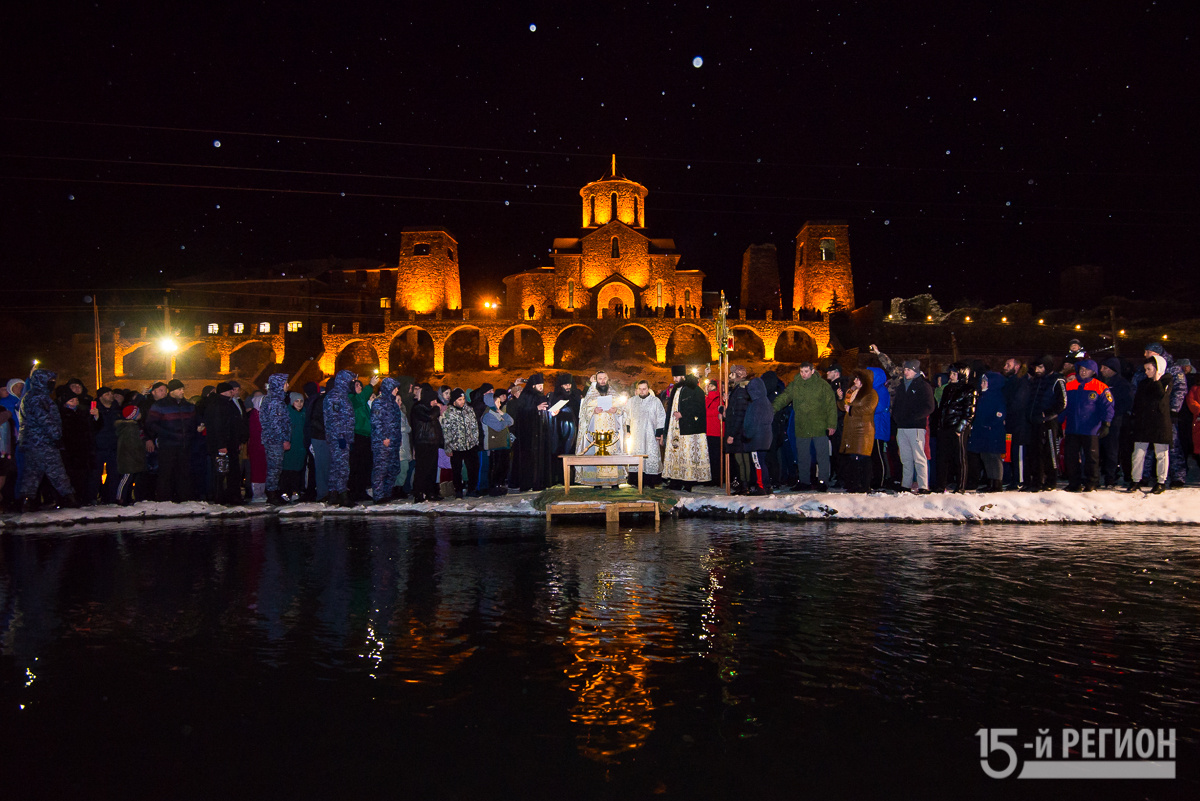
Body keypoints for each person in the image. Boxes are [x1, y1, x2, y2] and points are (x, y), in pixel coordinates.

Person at [771, 362, 838, 491]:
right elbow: (785, 397)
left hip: (819, 424)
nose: (803, 374)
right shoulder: (796, 384)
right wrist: (772, 408)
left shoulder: (822, 385)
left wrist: (831, 424)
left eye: (806, 371)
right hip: (801, 425)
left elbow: (831, 406)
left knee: (822, 455)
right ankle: (804, 481)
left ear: (812, 371)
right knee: (802, 455)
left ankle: (823, 481)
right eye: (801, 371)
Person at [17, 369, 77, 511]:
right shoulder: (39, 398)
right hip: (44, 442)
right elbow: (45, 420)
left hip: (33, 443)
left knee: (32, 474)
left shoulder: (31, 396)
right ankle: (70, 499)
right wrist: (56, 436)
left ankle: (26, 501)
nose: (53, 385)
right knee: (57, 472)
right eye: (50, 382)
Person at [1062, 359, 1114, 492]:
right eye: (1082, 368)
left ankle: (1091, 482)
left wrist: (1106, 423)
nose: (1084, 371)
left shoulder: (1100, 387)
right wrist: (1059, 424)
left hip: (1091, 429)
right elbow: (1063, 407)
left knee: (1091, 458)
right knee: (1071, 457)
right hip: (1072, 428)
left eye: (1087, 369)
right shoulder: (1070, 386)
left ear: (1093, 372)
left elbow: (1108, 406)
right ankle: (1074, 483)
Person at [146, 379, 196, 502]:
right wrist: (166, 433)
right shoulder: (160, 405)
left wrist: (192, 432)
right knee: (166, 473)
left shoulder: (188, 406)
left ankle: (183, 499)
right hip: (167, 445)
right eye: (179, 389)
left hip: (184, 445)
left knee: (184, 473)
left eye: (183, 389)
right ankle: (164, 500)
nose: (182, 391)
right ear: (172, 391)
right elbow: (151, 424)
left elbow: (193, 422)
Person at [1129, 354, 1172, 494]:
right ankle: (1136, 480)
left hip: (1160, 423)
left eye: (1149, 369)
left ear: (1157, 368)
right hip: (1144, 422)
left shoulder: (1167, 380)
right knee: (1138, 453)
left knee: (1161, 454)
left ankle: (1161, 481)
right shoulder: (1143, 383)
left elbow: (1161, 396)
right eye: (1145, 369)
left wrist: (1157, 380)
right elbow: (1138, 402)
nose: (1146, 372)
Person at [575, 371, 627, 487]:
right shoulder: (591, 394)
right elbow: (583, 411)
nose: (602, 381)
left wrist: (616, 410)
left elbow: (623, 409)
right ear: (596, 380)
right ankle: (596, 482)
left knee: (612, 453)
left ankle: (614, 482)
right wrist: (593, 411)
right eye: (600, 379)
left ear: (608, 379)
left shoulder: (614, 393)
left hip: (611, 430)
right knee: (595, 453)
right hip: (595, 430)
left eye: (604, 378)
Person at [891, 359, 935, 493]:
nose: (905, 372)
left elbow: (929, 407)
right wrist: (897, 418)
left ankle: (923, 485)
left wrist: (913, 417)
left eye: (909, 370)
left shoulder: (923, 386)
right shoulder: (901, 386)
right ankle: (906, 484)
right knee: (905, 457)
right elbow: (896, 405)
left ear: (915, 371)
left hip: (916, 427)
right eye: (905, 370)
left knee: (919, 457)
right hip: (902, 427)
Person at [661, 372, 710, 491]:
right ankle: (675, 481)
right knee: (676, 454)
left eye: (676, 376)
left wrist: (683, 414)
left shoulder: (695, 390)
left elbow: (698, 408)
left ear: (683, 376)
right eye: (673, 376)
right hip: (675, 429)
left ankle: (688, 482)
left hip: (689, 429)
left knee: (687, 455)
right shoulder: (675, 390)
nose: (674, 379)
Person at [1025, 356, 1067, 492]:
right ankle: (1036, 480)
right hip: (1034, 421)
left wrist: (1048, 414)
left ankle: (1051, 480)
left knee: (1049, 452)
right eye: (1036, 367)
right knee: (1035, 453)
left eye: (1040, 367)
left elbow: (1063, 402)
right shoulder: (1035, 381)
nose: (1037, 370)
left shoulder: (1057, 380)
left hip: (1049, 422)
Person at [933, 363, 977, 493]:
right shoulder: (948, 388)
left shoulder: (969, 390)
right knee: (942, 458)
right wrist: (940, 426)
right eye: (950, 374)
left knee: (960, 458)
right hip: (945, 427)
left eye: (954, 374)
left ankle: (961, 486)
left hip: (957, 428)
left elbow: (969, 412)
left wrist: (960, 429)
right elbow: (943, 409)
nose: (951, 376)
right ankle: (941, 485)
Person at [203, 382, 245, 505]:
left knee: (231, 471)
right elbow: (218, 426)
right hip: (223, 445)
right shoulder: (218, 405)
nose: (233, 392)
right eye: (231, 390)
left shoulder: (226, 403)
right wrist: (222, 445)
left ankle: (230, 496)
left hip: (230, 443)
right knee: (221, 472)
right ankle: (220, 497)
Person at [838, 369, 878, 493]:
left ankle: (864, 485)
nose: (854, 380)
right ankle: (854, 484)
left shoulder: (871, 393)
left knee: (862, 457)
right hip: (851, 428)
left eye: (857, 378)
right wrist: (841, 398)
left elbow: (868, 408)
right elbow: (844, 406)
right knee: (853, 457)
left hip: (863, 429)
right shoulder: (853, 391)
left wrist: (851, 410)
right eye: (854, 378)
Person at [967, 370, 1008, 492]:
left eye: (985, 382)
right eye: (982, 381)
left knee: (994, 457)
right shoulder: (982, 396)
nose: (982, 384)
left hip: (993, 432)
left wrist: (990, 424)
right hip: (983, 431)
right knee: (985, 456)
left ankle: (997, 483)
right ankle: (991, 481)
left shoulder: (997, 396)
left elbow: (1000, 414)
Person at [324, 369, 357, 507]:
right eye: (352, 381)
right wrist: (341, 437)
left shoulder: (342, 395)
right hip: (339, 438)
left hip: (341, 437)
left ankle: (334, 494)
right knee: (342, 467)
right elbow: (334, 418)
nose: (353, 384)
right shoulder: (336, 396)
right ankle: (342, 495)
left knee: (336, 466)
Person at [625, 379, 667, 488]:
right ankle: (635, 480)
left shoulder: (655, 401)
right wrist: (628, 430)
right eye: (640, 389)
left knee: (650, 455)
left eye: (644, 389)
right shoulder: (632, 401)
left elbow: (661, 417)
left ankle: (651, 481)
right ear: (637, 389)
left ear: (648, 389)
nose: (642, 391)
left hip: (650, 435)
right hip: (636, 434)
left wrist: (659, 433)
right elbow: (626, 416)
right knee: (636, 455)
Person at [370, 378, 404, 504]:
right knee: (381, 468)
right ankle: (378, 495)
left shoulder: (393, 404)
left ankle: (387, 493)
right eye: (394, 387)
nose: (397, 390)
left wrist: (398, 438)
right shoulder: (379, 402)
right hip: (382, 443)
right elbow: (376, 422)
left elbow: (396, 423)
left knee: (393, 468)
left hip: (394, 442)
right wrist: (384, 437)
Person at [259, 373, 292, 505]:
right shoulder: (274, 401)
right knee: (274, 467)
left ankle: (274, 492)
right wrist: (284, 439)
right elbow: (276, 423)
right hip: (274, 440)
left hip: (274, 439)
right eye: (285, 383)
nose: (288, 385)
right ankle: (271, 494)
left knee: (276, 467)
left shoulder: (276, 399)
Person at [443, 388, 481, 498]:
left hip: (470, 445)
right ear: (454, 400)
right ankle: (458, 490)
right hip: (456, 446)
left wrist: (475, 441)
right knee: (456, 470)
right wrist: (448, 447)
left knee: (473, 468)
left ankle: (471, 489)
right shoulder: (448, 413)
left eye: (463, 399)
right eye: (459, 399)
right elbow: (446, 431)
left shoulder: (469, 410)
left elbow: (474, 426)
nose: (462, 401)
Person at [410, 383, 443, 502]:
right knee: (422, 469)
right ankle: (418, 493)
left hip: (432, 442)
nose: (435, 402)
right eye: (434, 399)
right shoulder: (418, 407)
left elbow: (436, 426)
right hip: (423, 442)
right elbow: (429, 417)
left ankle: (430, 492)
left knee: (432, 469)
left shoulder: (429, 408)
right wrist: (437, 408)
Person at [741, 375, 774, 494]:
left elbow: (751, 422)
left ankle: (761, 486)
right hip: (766, 438)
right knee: (762, 462)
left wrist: (746, 435)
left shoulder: (755, 404)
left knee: (757, 463)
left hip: (756, 439)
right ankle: (767, 485)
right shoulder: (766, 401)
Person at [723, 365, 752, 493]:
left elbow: (739, 413)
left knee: (742, 460)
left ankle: (744, 485)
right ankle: (744, 484)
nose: (730, 376)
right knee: (741, 459)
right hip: (739, 431)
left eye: (732, 374)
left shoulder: (741, 391)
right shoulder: (738, 390)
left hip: (739, 431)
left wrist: (732, 434)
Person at [548, 373, 581, 487]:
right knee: (561, 450)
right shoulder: (555, 396)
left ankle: (573, 478)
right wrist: (555, 412)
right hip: (560, 427)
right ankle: (561, 478)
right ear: (561, 385)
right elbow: (551, 412)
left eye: (569, 384)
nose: (568, 387)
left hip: (575, 426)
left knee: (572, 449)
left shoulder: (575, 395)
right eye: (565, 385)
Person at [91, 387, 122, 504]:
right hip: (98, 447)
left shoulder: (117, 409)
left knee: (114, 474)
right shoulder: (95, 409)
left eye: (111, 393)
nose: (110, 395)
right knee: (95, 474)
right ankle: (93, 497)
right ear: (100, 397)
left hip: (113, 446)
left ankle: (111, 498)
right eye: (107, 393)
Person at [481, 387, 513, 496]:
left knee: (504, 466)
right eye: (498, 402)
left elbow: (511, 421)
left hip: (503, 444)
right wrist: (505, 422)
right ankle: (494, 487)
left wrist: (504, 416)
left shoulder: (498, 412)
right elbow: (499, 427)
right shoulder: (488, 415)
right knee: (496, 467)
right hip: (495, 446)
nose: (500, 405)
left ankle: (499, 485)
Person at [113, 405, 146, 505]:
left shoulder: (132, 426)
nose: (140, 414)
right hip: (128, 458)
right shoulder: (130, 428)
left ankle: (126, 497)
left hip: (130, 457)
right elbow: (132, 444)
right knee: (126, 478)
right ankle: (120, 498)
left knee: (129, 479)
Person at [281, 392, 307, 501]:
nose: (299, 404)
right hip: (290, 445)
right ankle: (285, 491)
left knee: (298, 469)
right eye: (297, 401)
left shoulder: (304, 413)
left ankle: (296, 490)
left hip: (301, 445)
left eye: (301, 401)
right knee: (288, 469)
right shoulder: (288, 412)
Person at [704, 378, 723, 486]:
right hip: (708, 431)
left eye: (711, 386)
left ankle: (717, 478)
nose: (709, 387)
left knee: (716, 457)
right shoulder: (707, 398)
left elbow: (710, 411)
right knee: (709, 456)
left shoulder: (719, 399)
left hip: (716, 431)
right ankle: (710, 477)